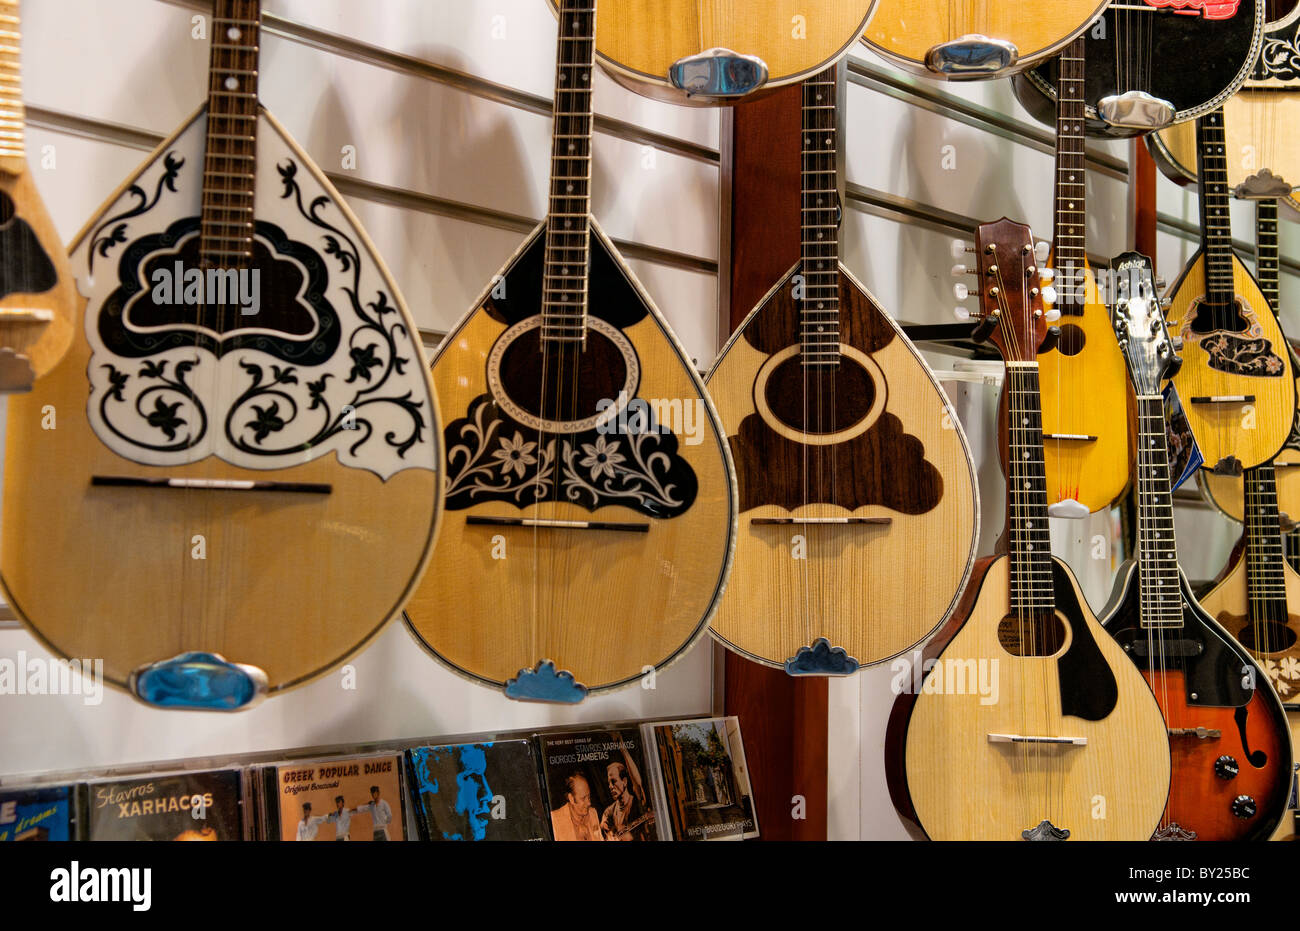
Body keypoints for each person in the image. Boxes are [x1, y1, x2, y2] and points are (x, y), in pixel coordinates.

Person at [600, 762, 652, 841]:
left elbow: (638, 783)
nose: (610, 786)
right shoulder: (610, 811)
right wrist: (604, 827)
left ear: (624, 781)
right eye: (609, 783)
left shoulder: (637, 802)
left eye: (613, 781)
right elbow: (603, 823)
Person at [550, 772, 603, 841]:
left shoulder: (593, 813)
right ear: (571, 798)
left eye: (589, 797)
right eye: (583, 798)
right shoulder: (555, 820)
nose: (589, 803)